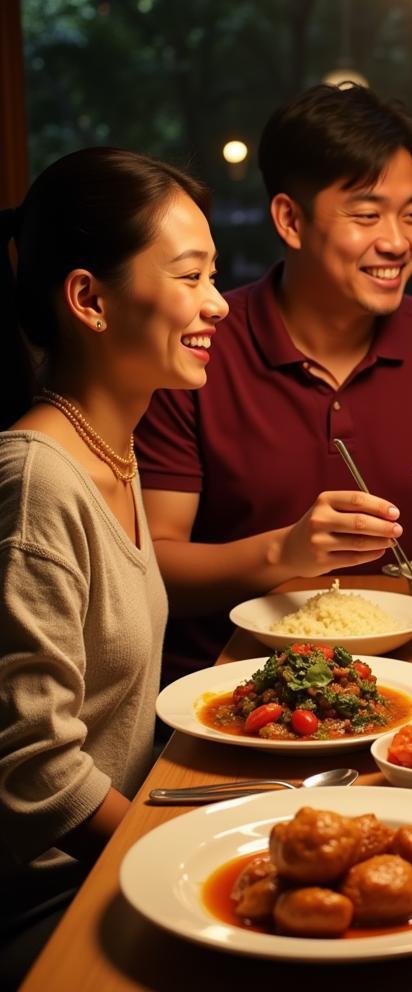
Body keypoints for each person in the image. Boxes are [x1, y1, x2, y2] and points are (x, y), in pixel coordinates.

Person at [136, 83, 412, 686]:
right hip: (233, 685)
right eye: (367, 214)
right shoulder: (199, 346)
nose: (399, 241)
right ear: (290, 220)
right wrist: (285, 551)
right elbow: (155, 566)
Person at [0, 147, 228, 981]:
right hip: (49, 902)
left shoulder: (116, 453)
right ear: (89, 300)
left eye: (216, 276)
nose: (219, 305)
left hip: (116, 856)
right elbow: (34, 770)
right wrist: (184, 848)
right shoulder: (36, 482)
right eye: (193, 276)